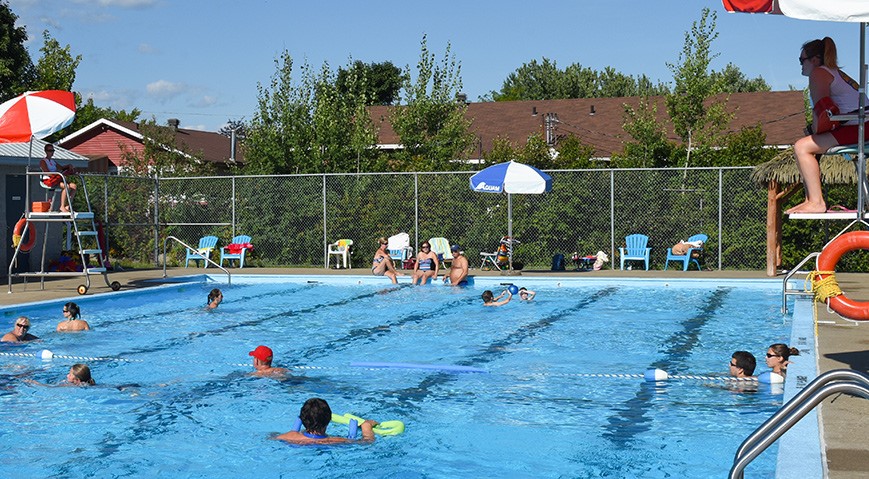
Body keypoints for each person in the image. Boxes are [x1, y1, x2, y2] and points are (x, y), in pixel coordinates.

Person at [787, 37, 868, 214]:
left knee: (802, 147)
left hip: (861, 126)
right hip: (860, 124)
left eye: (802, 60)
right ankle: (810, 200)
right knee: (807, 143)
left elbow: (823, 112)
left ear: (815, 60)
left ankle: (816, 202)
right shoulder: (834, 72)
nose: (800, 65)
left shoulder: (819, 74)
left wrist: (814, 132)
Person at [276, 397, 377, 444]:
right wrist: (366, 427)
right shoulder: (335, 441)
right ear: (329, 419)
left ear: (302, 420)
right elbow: (367, 442)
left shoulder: (286, 437)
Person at [39, 143, 77, 213]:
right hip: (49, 180)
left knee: (74, 186)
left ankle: (67, 206)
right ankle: (62, 206)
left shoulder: (53, 161)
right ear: (46, 151)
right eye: (49, 150)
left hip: (56, 179)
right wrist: (57, 175)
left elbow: (61, 168)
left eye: (53, 150)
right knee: (66, 187)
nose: (51, 152)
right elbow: (47, 172)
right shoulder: (43, 161)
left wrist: (68, 166)